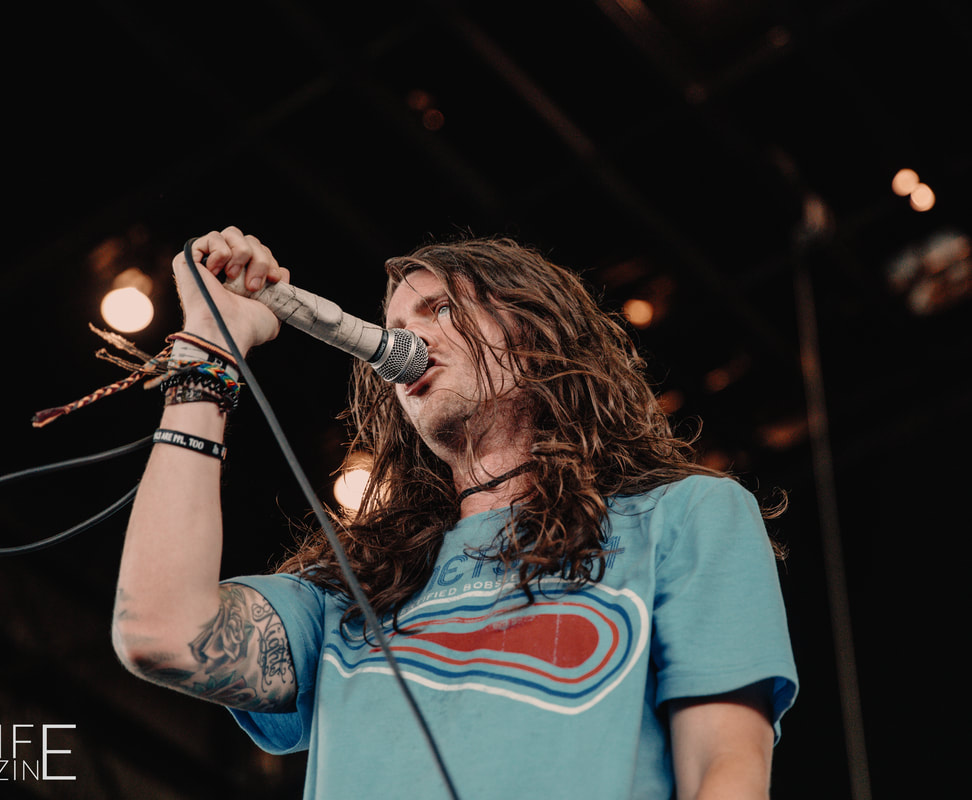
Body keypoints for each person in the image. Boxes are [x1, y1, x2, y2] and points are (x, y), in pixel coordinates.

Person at [112, 225, 798, 799]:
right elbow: (161, 632)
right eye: (394, 327)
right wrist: (208, 348)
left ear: (537, 332)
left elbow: (725, 769)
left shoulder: (686, 516)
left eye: (440, 309)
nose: (406, 340)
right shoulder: (349, 590)